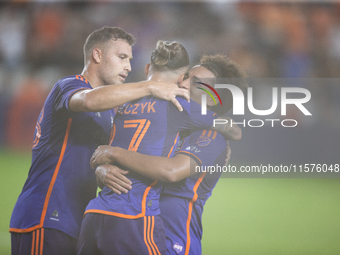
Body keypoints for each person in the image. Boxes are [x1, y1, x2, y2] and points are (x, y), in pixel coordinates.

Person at [9, 26, 190, 255]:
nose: (128, 67)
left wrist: (101, 170)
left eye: (130, 60)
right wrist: (150, 86)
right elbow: (87, 101)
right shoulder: (69, 85)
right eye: (122, 57)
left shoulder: (111, 112)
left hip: (81, 221)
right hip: (46, 215)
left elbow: (96, 157)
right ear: (97, 55)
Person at [76, 42, 235, 255]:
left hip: (174, 241)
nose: (185, 82)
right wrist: (102, 170)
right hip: (136, 226)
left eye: (198, 82)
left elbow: (171, 170)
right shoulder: (164, 117)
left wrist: (116, 154)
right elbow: (114, 160)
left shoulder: (210, 135)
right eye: (186, 76)